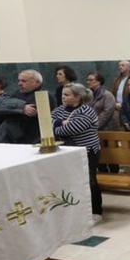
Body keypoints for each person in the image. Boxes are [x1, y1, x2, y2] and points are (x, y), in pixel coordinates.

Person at [51, 83, 103, 222]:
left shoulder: (86, 111)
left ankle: (96, 211)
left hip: (87, 152)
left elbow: (69, 130)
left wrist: (57, 124)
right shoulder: (60, 109)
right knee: (71, 181)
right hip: (66, 152)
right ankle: (77, 210)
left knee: (90, 180)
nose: (63, 97)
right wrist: (60, 123)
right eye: (62, 94)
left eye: (67, 95)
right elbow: (47, 123)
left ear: (78, 97)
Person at [0, 70, 55, 144]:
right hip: (11, 138)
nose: (19, 84)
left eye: (24, 81)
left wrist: (14, 108)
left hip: (32, 139)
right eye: (19, 80)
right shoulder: (17, 93)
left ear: (37, 82)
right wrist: (22, 107)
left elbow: (31, 112)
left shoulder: (44, 96)